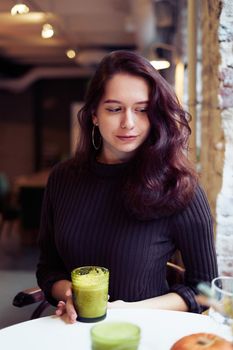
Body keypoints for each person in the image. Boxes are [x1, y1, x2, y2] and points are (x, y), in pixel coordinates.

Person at [36, 50, 218, 323]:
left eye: (142, 110)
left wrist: (131, 310)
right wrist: (68, 292)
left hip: (147, 333)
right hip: (73, 331)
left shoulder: (178, 186)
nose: (128, 123)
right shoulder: (63, 178)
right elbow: (49, 268)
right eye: (114, 109)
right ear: (94, 115)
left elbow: (205, 291)